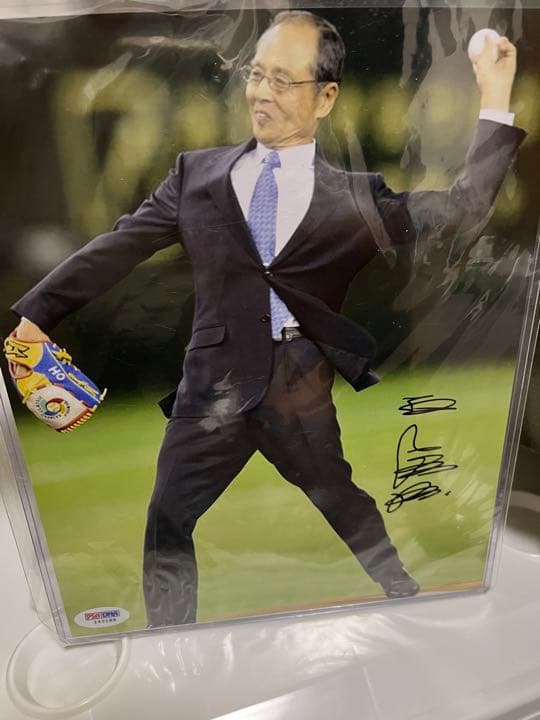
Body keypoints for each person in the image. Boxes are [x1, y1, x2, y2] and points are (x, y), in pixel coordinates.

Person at [9, 11, 525, 627]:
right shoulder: (195, 176)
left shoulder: (356, 196)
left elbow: (463, 211)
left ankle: (405, 594)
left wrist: (495, 94)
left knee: (343, 503)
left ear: (325, 97)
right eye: (257, 75)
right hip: (212, 384)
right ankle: (172, 637)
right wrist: (37, 314)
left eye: (284, 80)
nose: (262, 92)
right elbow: (117, 248)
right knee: (168, 517)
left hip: (297, 385)